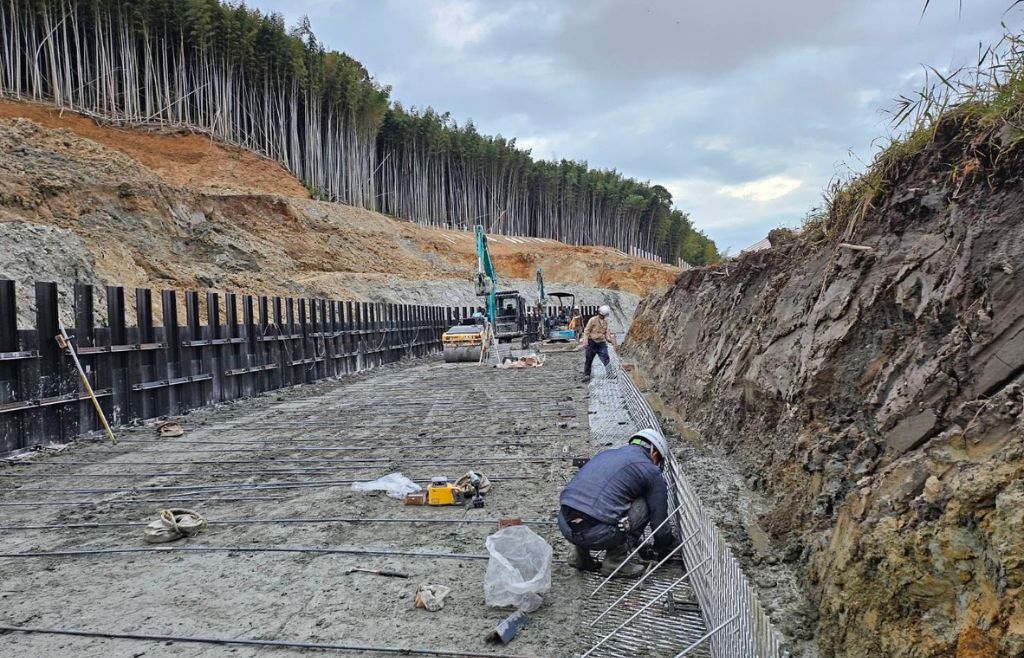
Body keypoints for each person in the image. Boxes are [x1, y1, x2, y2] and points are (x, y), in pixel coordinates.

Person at [557, 429, 679, 577]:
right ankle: (616, 562)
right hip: (600, 533)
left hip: (566, 525)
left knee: (584, 503)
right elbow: (659, 524)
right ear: (654, 455)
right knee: (646, 503)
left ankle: (579, 557)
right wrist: (664, 546)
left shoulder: (605, 455)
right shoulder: (651, 470)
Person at [581, 305, 615, 380]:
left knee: (606, 357)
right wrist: (585, 340)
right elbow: (587, 330)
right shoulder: (592, 320)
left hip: (601, 343)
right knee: (589, 358)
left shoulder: (605, 321)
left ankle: (610, 373)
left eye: (604, 316)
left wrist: (608, 338)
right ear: (600, 313)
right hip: (592, 342)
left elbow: (606, 331)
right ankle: (586, 374)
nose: (603, 317)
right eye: (603, 315)